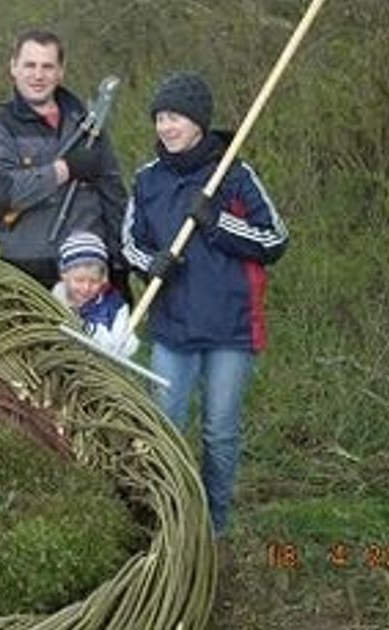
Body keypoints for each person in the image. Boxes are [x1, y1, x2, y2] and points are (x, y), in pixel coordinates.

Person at [122, 70, 289, 536]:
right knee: (163, 429)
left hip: (230, 330)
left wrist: (216, 222)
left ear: (198, 122)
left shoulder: (234, 176)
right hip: (172, 329)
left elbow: (275, 240)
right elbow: (130, 244)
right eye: (159, 118)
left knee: (219, 432)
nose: (165, 127)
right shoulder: (147, 181)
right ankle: (164, 520)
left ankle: (215, 523)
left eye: (175, 117)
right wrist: (151, 264)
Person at [0, 28, 129, 291]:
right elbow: (2, 193)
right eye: (30, 65)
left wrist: (119, 263)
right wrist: (65, 169)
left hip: (88, 274)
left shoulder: (87, 124)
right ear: (13, 67)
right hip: (26, 275)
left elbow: (113, 196)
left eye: (48, 66)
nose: (38, 75)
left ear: (61, 71)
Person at [52, 231, 138, 358]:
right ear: (64, 275)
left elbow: (121, 349)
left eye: (94, 281)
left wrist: (91, 330)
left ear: (104, 278)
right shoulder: (54, 300)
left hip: (99, 370)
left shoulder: (115, 306)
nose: (86, 288)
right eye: (79, 280)